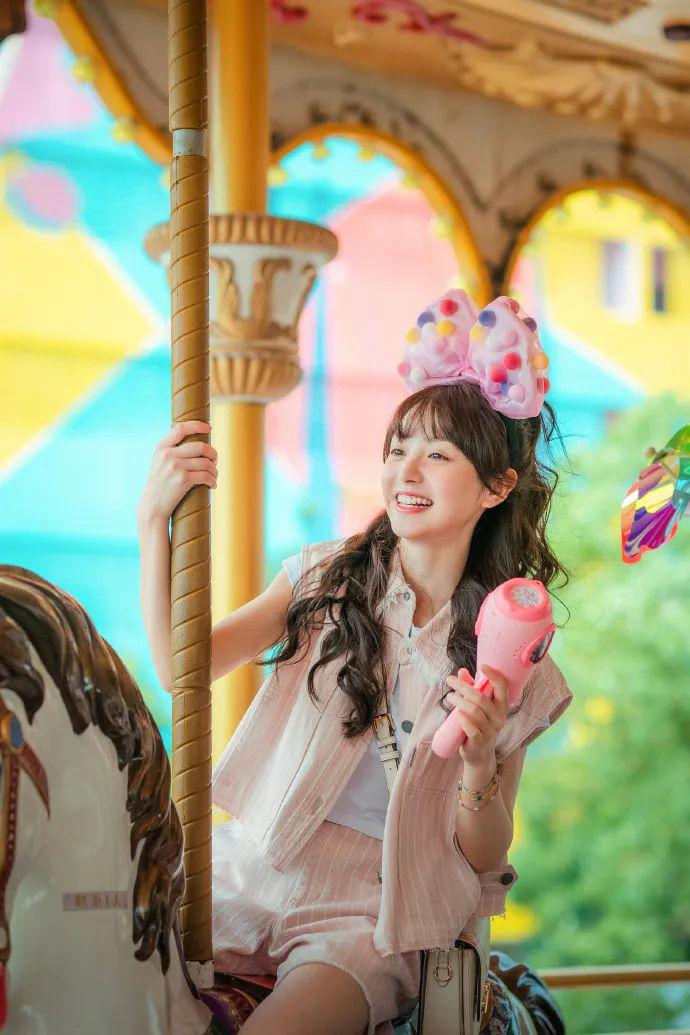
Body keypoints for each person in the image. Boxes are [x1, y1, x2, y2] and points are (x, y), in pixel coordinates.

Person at [137, 289, 574, 1035]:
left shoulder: (511, 651)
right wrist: (155, 521)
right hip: (250, 864)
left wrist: (477, 761)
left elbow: (486, 853)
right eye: (398, 448)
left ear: (497, 486)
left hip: (369, 912)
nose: (407, 470)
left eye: (438, 454)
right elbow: (186, 668)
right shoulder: (323, 577)